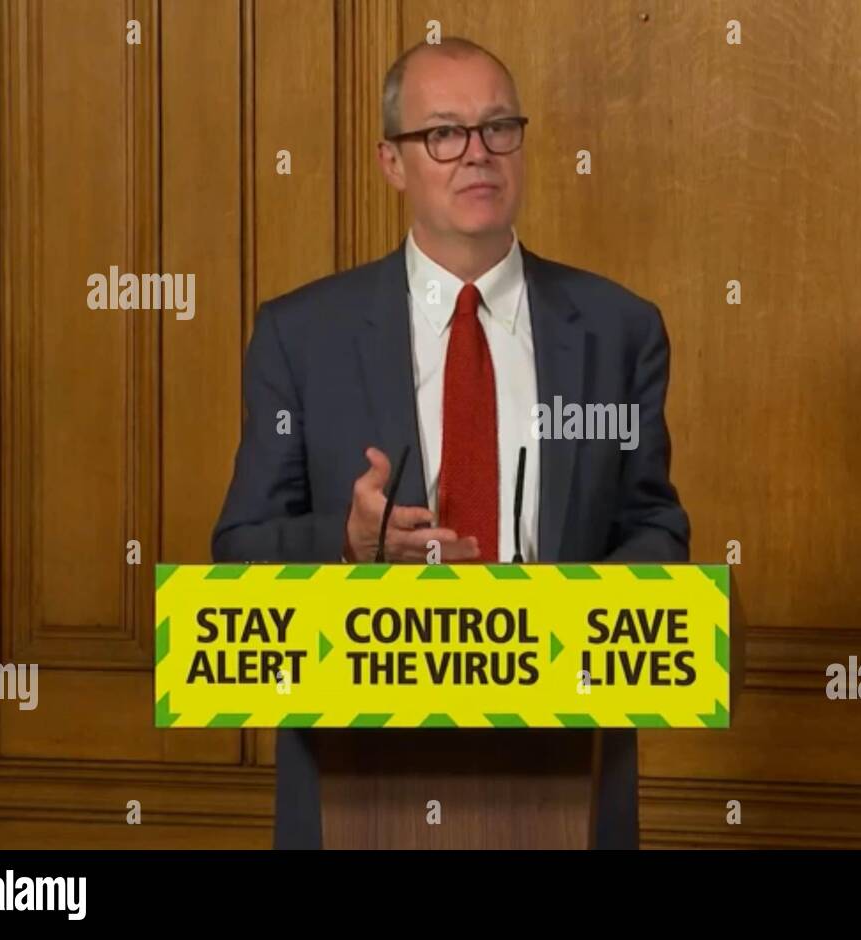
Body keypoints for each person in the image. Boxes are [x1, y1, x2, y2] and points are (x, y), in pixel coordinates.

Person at [211, 36, 689, 849]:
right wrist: (348, 539)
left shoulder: (619, 329)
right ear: (392, 163)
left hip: (565, 770)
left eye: (499, 127)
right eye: (444, 134)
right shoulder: (300, 335)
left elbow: (655, 529)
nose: (478, 154)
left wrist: (571, 619)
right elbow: (238, 551)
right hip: (354, 773)